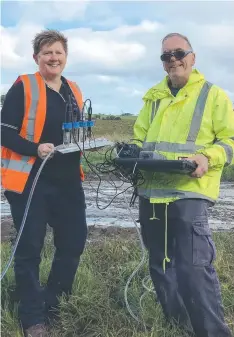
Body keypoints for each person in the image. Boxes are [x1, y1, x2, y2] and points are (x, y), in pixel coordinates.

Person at [133, 33, 234, 337]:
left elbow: (229, 141)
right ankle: (181, 326)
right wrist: (131, 155)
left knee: (193, 268)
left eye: (179, 53)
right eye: (166, 56)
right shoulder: (153, 97)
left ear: (193, 56)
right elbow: (140, 137)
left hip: (190, 191)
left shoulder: (213, 95)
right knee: (160, 266)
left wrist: (206, 157)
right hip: (151, 192)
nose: (173, 59)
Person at [1, 29, 87, 337]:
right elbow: (5, 132)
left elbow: (75, 133)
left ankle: (52, 304)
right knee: (30, 248)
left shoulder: (74, 90)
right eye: (47, 52)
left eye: (58, 52)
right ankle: (32, 318)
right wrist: (35, 148)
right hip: (29, 181)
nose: (53, 58)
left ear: (66, 56)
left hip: (67, 181)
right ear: (36, 57)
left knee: (74, 241)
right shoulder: (24, 86)